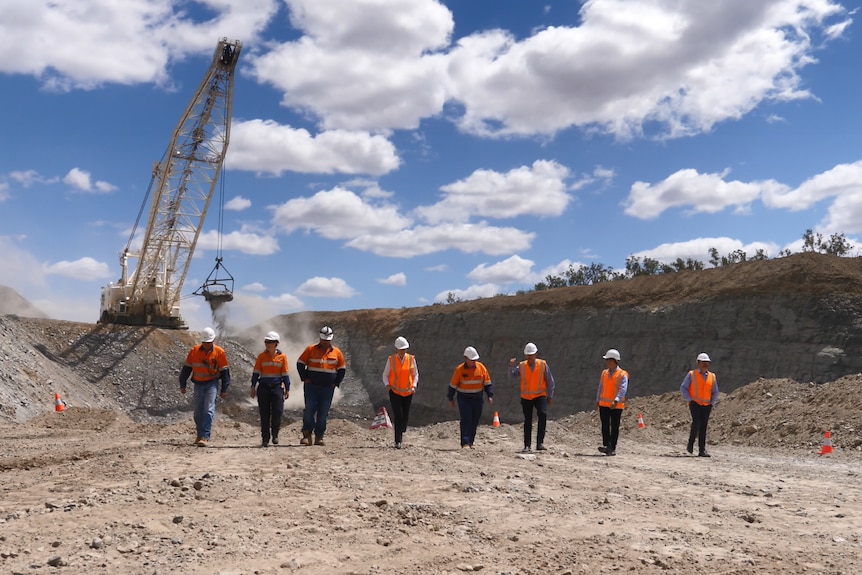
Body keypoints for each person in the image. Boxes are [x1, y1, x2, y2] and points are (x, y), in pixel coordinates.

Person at [179, 327, 231, 447]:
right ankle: (199, 434)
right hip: (198, 384)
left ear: (213, 341)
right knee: (197, 412)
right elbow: (186, 369)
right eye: (204, 342)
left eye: (209, 342)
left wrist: (224, 389)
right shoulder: (194, 351)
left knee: (208, 410)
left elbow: (225, 372)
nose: (206, 345)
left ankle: (205, 436)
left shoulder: (219, 352)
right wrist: (183, 384)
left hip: (212, 384)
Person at [297, 325, 346, 446]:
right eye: (324, 339)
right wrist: (305, 378)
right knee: (309, 410)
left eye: (328, 340)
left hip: (327, 388)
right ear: (320, 338)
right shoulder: (310, 349)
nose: (326, 342)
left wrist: (336, 383)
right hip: (311, 386)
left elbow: (342, 369)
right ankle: (307, 435)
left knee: (323, 413)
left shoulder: (337, 352)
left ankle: (319, 436)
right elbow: (300, 364)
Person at [509, 342, 556, 453]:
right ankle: (527, 445)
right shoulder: (521, 366)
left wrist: (550, 396)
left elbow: (550, 381)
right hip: (526, 397)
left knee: (542, 415)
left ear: (536, 354)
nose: (530, 357)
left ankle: (540, 443)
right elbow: (512, 376)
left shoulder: (543, 365)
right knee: (528, 420)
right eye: (528, 355)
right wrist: (510, 367)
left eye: (532, 354)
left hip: (540, 395)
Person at [447, 346, 494, 449]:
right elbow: (453, 385)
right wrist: (450, 398)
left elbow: (487, 383)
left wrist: (489, 395)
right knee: (466, 419)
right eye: (471, 360)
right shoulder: (459, 370)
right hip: (464, 398)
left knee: (475, 420)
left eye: (475, 360)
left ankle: (471, 441)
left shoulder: (481, 367)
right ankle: (465, 442)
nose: (473, 362)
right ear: (466, 359)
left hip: (478, 398)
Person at [250, 331, 291, 447]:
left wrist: (287, 389)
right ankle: (265, 438)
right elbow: (256, 373)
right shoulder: (261, 357)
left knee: (277, 412)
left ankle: (275, 434)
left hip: (277, 388)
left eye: (270, 342)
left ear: (276, 343)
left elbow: (285, 374)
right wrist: (253, 387)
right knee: (264, 414)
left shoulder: (282, 357)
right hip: (263, 388)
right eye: (266, 342)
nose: (267, 344)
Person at [382, 336, 419, 449]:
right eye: (401, 349)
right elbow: (385, 374)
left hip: (408, 392)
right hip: (395, 392)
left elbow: (415, 374)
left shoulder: (411, 359)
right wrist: (387, 385)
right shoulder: (391, 359)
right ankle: (398, 441)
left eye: (404, 349)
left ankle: (402, 429)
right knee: (398, 415)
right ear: (397, 349)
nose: (403, 351)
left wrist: (414, 386)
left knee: (405, 415)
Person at [680, 352, 719, 457]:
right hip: (695, 404)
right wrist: (690, 400)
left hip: (707, 405)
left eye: (707, 362)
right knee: (696, 423)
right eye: (703, 362)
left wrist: (712, 403)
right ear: (698, 363)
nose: (705, 364)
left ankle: (702, 450)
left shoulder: (712, 376)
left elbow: (715, 391)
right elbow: (683, 387)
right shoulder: (692, 374)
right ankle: (691, 443)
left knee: (703, 426)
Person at [596, 348, 628, 456]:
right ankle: (606, 445)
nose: (606, 362)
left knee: (614, 426)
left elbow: (623, 389)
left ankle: (612, 447)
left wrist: (617, 399)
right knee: (605, 425)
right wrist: (598, 400)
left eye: (608, 360)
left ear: (614, 360)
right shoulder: (604, 373)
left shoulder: (622, 374)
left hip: (616, 405)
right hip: (604, 404)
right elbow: (601, 387)